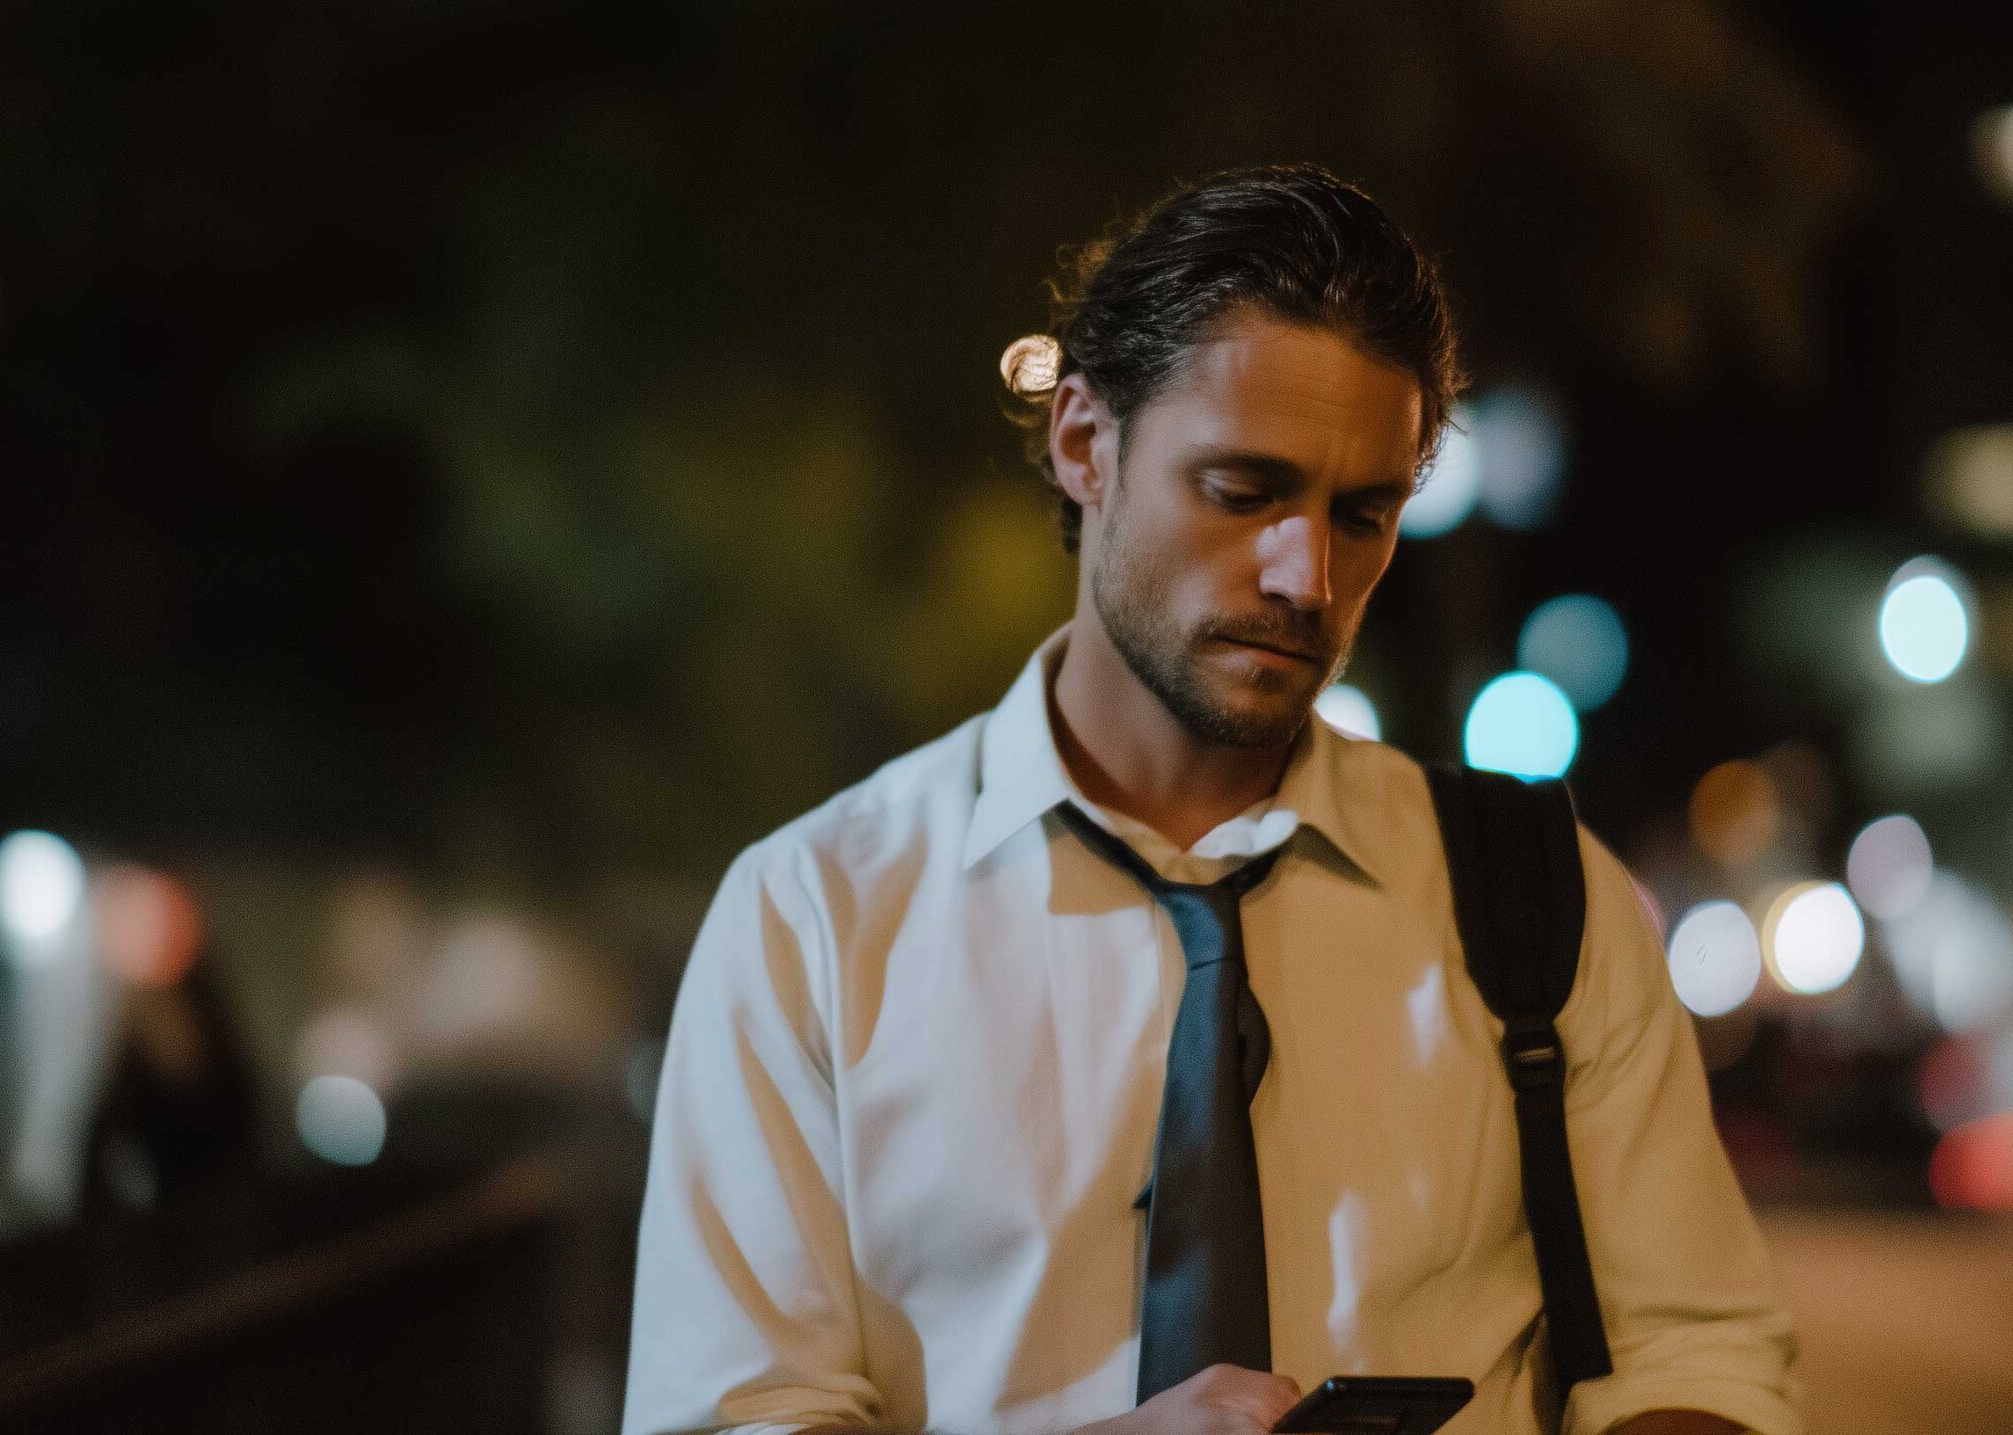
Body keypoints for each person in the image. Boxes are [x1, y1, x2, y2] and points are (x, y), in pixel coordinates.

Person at [625, 166, 1799, 1435]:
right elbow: (735, 1413)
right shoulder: (816, 917)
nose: (1307, 577)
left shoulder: (1536, 896)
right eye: (1243, 492)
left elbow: (1700, 1358)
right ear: (1085, 442)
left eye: (1363, 514)